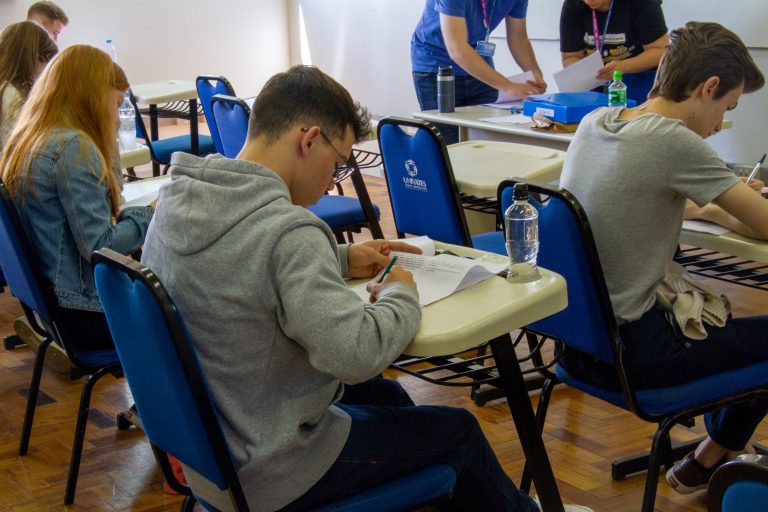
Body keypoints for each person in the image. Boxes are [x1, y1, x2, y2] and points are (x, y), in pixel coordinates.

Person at [141, 65, 591, 512]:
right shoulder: (287, 231)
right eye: (338, 163)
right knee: (460, 435)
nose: (331, 181)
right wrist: (400, 293)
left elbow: (238, 266)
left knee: (387, 397)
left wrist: (338, 258)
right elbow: (356, 355)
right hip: (272, 468)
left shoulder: (179, 199)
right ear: (309, 140)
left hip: (215, 455)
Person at [559, 21, 767, 496]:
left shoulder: (597, 122)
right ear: (708, 87)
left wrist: (720, 205)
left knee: (734, 333)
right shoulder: (674, 141)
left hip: (582, 348)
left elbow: (666, 201)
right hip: (638, 358)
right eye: (726, 108)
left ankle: (713, 454)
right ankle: (715, 456)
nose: (718, 126)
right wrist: (739, 205)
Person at [1, 44, 153, 351]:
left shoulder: (29, 137)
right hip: (85, 313)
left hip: (50, 308)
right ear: (94, 98)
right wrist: (148, 216)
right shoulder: (73, 148)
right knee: (193, 312)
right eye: (117, 104)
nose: (117, 117)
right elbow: (100, 246)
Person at [411, 0, 547, 143]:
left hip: (478, 63)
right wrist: (508, 86)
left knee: (487, 137)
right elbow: (457, 49)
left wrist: (535, 74)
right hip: (436, 64)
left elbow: (518, 38)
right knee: (447, 142)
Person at [559, 0, 669, 103]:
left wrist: (625, 66)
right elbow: (570, 57)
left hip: (638, 77)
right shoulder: (573, 5)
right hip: (595, 82)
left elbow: (660, 51)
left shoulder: (642, 2)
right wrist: (585, 71)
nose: (589, 1)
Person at [0, 21, 58, 150]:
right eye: (45, 59)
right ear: (32, 57)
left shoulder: (8, 89)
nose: (46, 69)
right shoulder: (10, 94)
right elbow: (23, 148)